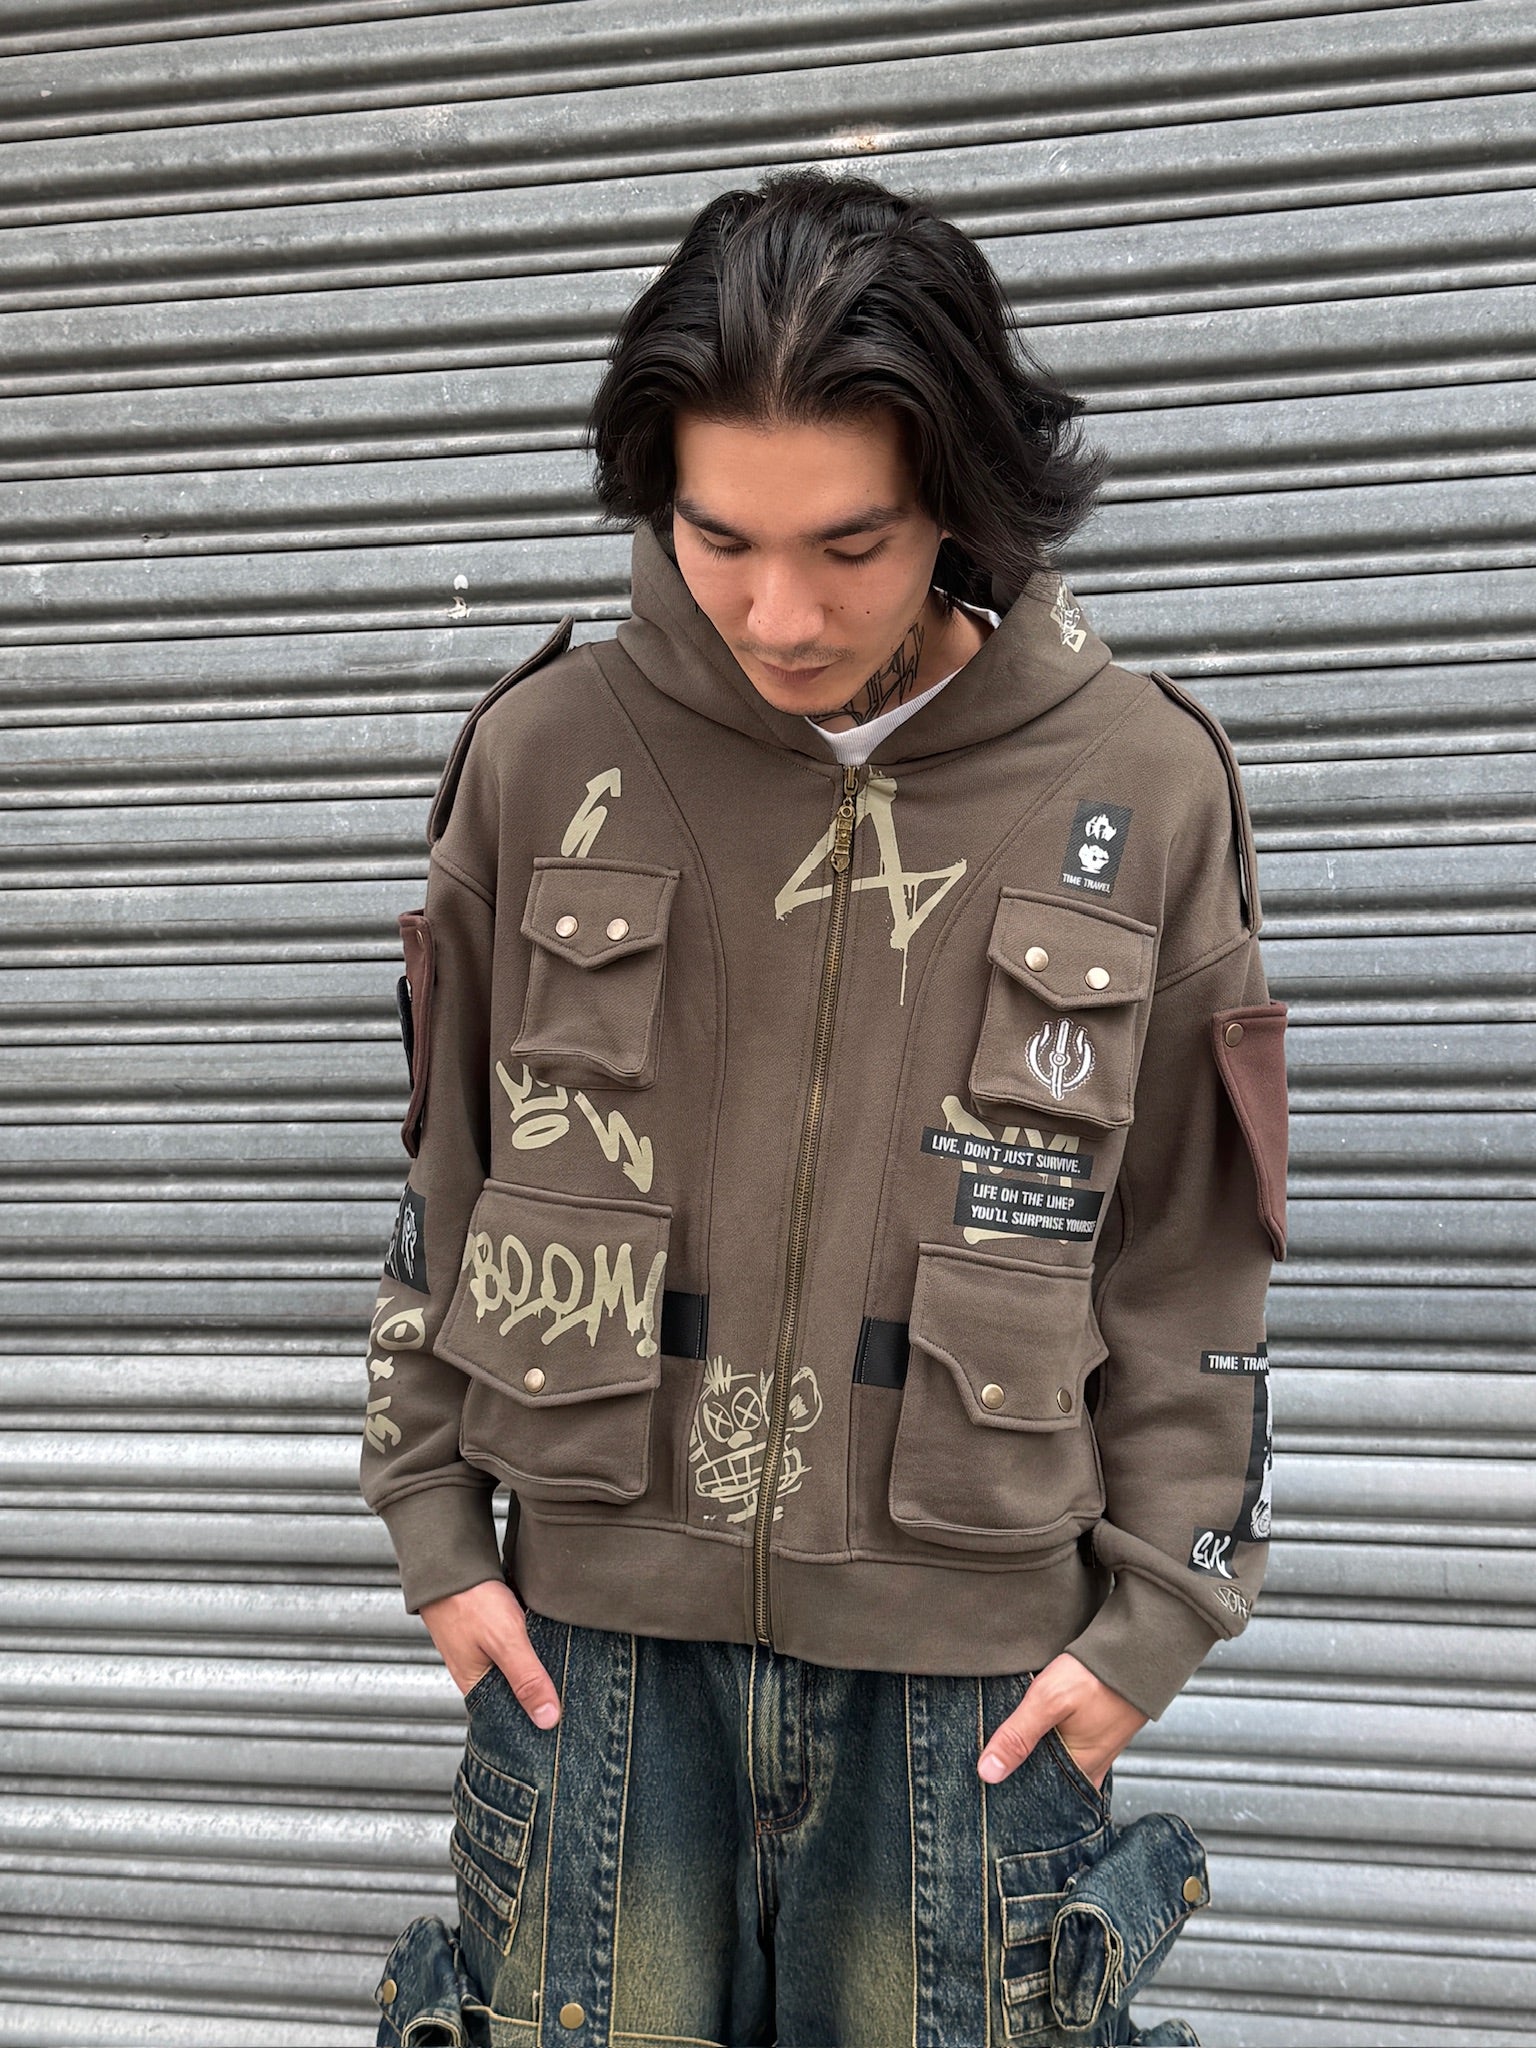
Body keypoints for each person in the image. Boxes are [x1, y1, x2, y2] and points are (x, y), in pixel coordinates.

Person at [360, 168, 1288, 2048]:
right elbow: (446, 1171)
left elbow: (1197, 1257)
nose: (777, 615)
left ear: (961, 495)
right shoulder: (548, 754)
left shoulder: (1144, 783)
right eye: (718, 539)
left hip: (971, 1687)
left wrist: (1153, 1628)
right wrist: (436, 1532)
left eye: (848, 546)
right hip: (599, 1672)